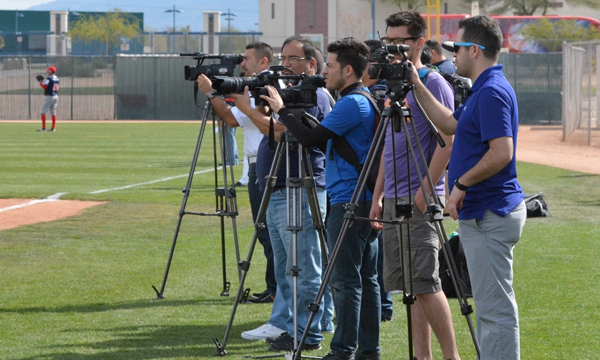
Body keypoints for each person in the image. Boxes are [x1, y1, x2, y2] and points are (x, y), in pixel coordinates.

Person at [409, 15, 526, 360]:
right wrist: (416, 83)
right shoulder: (483, 87)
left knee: (494, 311)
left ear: (474, 50)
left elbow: (502, 152)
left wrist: (460, 183)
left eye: (456, 48)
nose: (452, 54)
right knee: (492, 309)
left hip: (489, 211)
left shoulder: (491, 90)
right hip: (484, 211)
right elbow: (448, 122)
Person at [261, 37, 380, 360]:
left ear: (349, 70)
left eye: (330, 65)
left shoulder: (351, 103)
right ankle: (369, 351)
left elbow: (311, 139)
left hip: (349, 202)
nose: (325, 71)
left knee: (345, 282)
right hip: (365, 198)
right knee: (366, 281)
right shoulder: (364, 100)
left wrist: (282, 111)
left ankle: (342, 351)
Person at [369, 11, 461, 360]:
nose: (392, 48)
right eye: (388, 41)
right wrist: (378, 195)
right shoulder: (393, 86)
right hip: (394, 196)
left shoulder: (431, 82)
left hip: (420, 198)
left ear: (419, 43)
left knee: (425, 282)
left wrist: (424, 195)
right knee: (410, 286)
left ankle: (451, 356)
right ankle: (422, 356)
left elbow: (446, 142)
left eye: (400, 42)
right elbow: (388, 148)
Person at [233, 35, 331, 351]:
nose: (285, 65)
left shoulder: (314, 93)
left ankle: (307, 332)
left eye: (293, 59)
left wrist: (256, 109)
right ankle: (287, 322)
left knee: (303, 265)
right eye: (283, 59)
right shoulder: (287, 92)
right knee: (284, 265)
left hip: (300, 187)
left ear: (311, 63)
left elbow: (299, 131)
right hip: (277, 187)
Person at [197, 42, 277, 304]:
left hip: (262, 165)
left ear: (263, 62)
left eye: (247, 59)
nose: (242, 64)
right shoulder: (259, 85)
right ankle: (274, 287)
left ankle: (275, 288)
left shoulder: (260, 87)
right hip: (260, 163)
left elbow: (231, 119)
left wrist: (211, 93)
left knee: (267, 231)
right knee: (267, 230)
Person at [362, 39, 393, 323]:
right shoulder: (381, 92)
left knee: (377, 248)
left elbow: (381, 143)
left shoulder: (378, 94)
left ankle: (383, 304)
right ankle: (384, 303)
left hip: (375, 178)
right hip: (380, 178)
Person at [37, 66, 59, 132]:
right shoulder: (57, 78)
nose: (47, 71)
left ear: (51, 71)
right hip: (55, 96)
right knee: (53, 113)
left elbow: (45, 87)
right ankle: (53, 128)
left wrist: (40, 83)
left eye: (48, 70)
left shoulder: (49, 79)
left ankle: (43, 128)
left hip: (49, 96)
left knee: (43, 112)